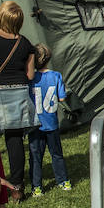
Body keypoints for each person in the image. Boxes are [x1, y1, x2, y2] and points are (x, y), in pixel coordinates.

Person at [0, 1, 37, 202]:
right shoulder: (25, 44)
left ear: (1, 17)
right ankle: (16, 188)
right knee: (14, 142)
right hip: (18, 94)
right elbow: (30, 75)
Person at [27, 44, 71, 197]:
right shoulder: (56, 75)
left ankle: (36, 186)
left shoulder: (30, 79)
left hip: (35, 124)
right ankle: (63, 181)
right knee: (57, 154)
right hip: (52, 123)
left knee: (35, 157)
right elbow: (62, 97)